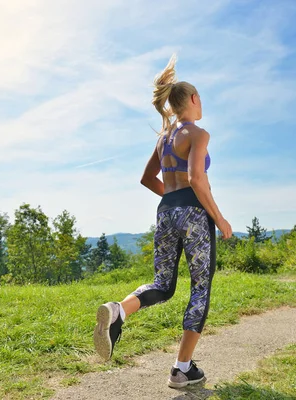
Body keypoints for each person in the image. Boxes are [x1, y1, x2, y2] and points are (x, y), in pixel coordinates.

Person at [93, 54, 232, 389]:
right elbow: (197, 179)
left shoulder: (164, 138)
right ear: (194, 100)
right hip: (194, 213)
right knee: (201, 288)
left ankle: (119, 310)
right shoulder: (198, 134)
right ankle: (181, 368)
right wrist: (220, 217)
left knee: (162, 284)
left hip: (165, 212)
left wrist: (172, 202)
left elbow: (147, 178)